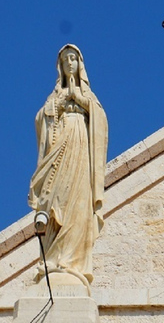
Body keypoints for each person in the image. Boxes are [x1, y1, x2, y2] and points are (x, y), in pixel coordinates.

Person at [28, 45, 107, 287]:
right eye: (65, 60)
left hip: (81, 148)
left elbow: (101, 123)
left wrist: (81, 101)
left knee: (78, 203)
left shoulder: (90, 98)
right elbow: (41, 120)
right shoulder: (53, 97)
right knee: (56, 200)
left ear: (80, 64)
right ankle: (52, 257)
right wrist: (53, 110)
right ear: (60, 66)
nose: (69, 63)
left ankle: (72, 262)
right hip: (60, 150)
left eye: (73, 59)